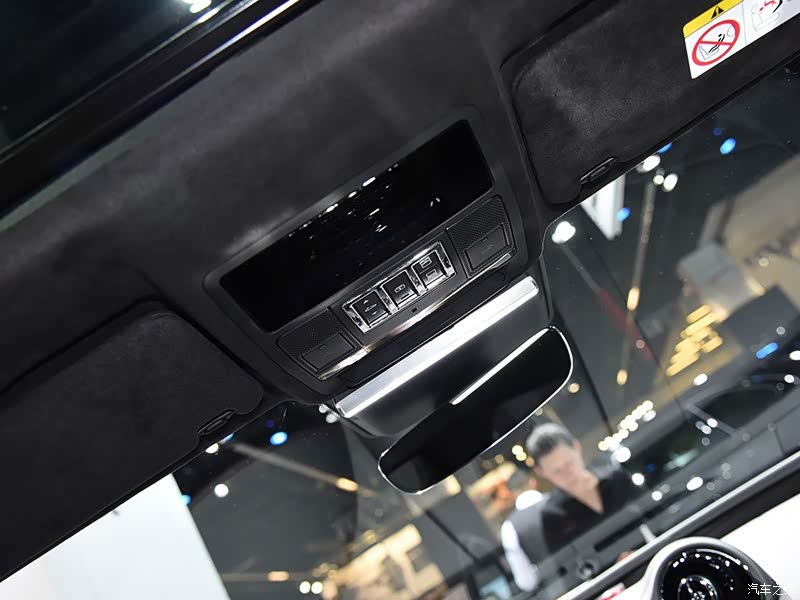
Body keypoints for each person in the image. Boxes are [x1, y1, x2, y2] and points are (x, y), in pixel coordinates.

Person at [501, 424, 642, 592]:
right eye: (557, 471)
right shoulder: (551, 516)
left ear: (576, 447)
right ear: (541, 472)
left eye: (569, 463)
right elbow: (571, 574)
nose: (568, 474)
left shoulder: (616, 478)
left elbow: (655, 517)